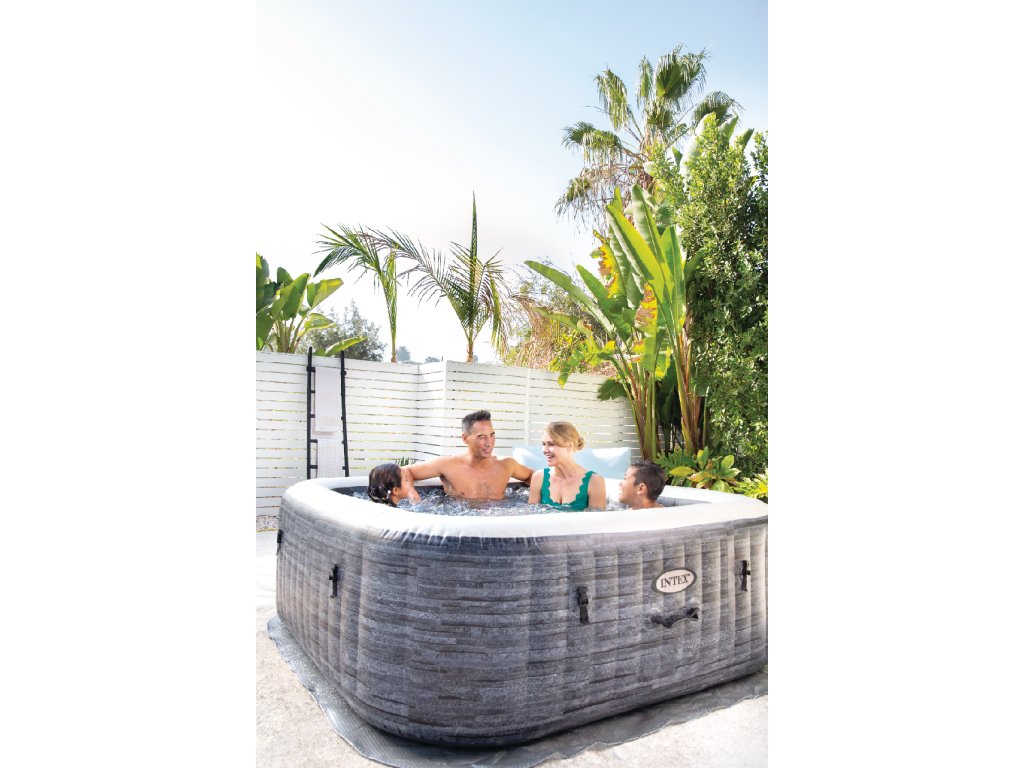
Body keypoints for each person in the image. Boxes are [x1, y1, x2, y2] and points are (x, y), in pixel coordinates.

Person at [402, 410, 533, 500]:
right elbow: (406, 471)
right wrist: (411, 492)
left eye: (492, 435)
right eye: (481, 437)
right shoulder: (448, 465)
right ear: (465, 439)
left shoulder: (507, 465)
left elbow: (532, 476)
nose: (489, 443)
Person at [528, 421, 606, 510]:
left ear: (569, 445)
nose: (544, 450)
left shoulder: (595, 481)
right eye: (543, 444)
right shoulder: (539, 477)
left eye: (551, 444)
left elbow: (598, 518)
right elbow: (530, 516)